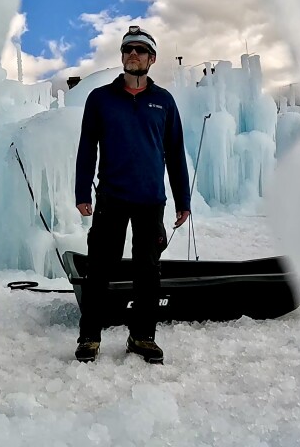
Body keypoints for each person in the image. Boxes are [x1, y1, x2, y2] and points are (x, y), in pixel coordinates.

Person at [73, 25, 191, 365]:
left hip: (151, 201)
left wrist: (182, 201)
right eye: (128, 50)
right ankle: (89, 336)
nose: (133, 55)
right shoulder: (101, 99)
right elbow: (87, 148)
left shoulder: (164, 102)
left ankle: (142, 337)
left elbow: (175, 153)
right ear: (123, 57)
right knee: (100, 269)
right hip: (111, 197)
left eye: (140, 50)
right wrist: (83, 192)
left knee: (147, 273)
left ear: (152, 59)